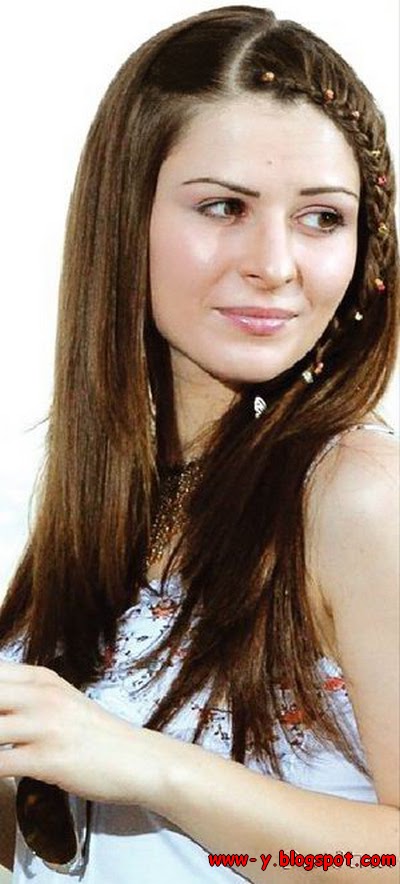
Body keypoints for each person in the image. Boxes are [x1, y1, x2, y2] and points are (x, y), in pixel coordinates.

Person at [0, 5, 398, 881]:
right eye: (224, 206)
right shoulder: (100, 489)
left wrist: (152, 768)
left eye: (322, 218)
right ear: (123, 218)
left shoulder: (356, 492)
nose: (275, 263)